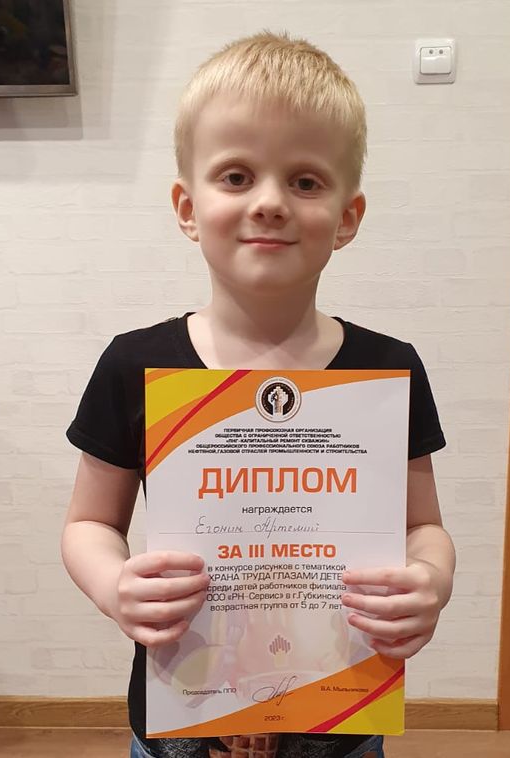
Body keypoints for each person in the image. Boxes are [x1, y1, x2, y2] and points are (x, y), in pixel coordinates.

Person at [62, 30, 456, 758]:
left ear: (347, 217)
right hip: (183, 719)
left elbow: (424, 526)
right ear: (187, 207)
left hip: (340, 724)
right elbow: (88, 523)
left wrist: (431, 580)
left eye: (305, 181)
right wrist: (114, 586)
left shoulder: (387, 368)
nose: (270, 202)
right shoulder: (133, 365)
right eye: (237, 176)